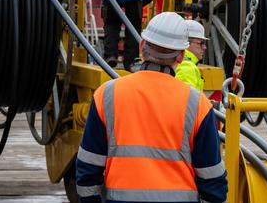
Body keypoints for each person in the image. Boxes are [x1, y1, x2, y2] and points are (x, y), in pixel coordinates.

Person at [75, 12, 227, 203]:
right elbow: (212, 179)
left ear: (141, 47)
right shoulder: (197, 104)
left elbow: (88, 168)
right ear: (180, 56)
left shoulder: (107, 95)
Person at [176, 19, 207, 92]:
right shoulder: (187, 68)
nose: (204, 47)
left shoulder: (177, 61)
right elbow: (188, 101)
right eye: (200, 43)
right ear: (186, 43)